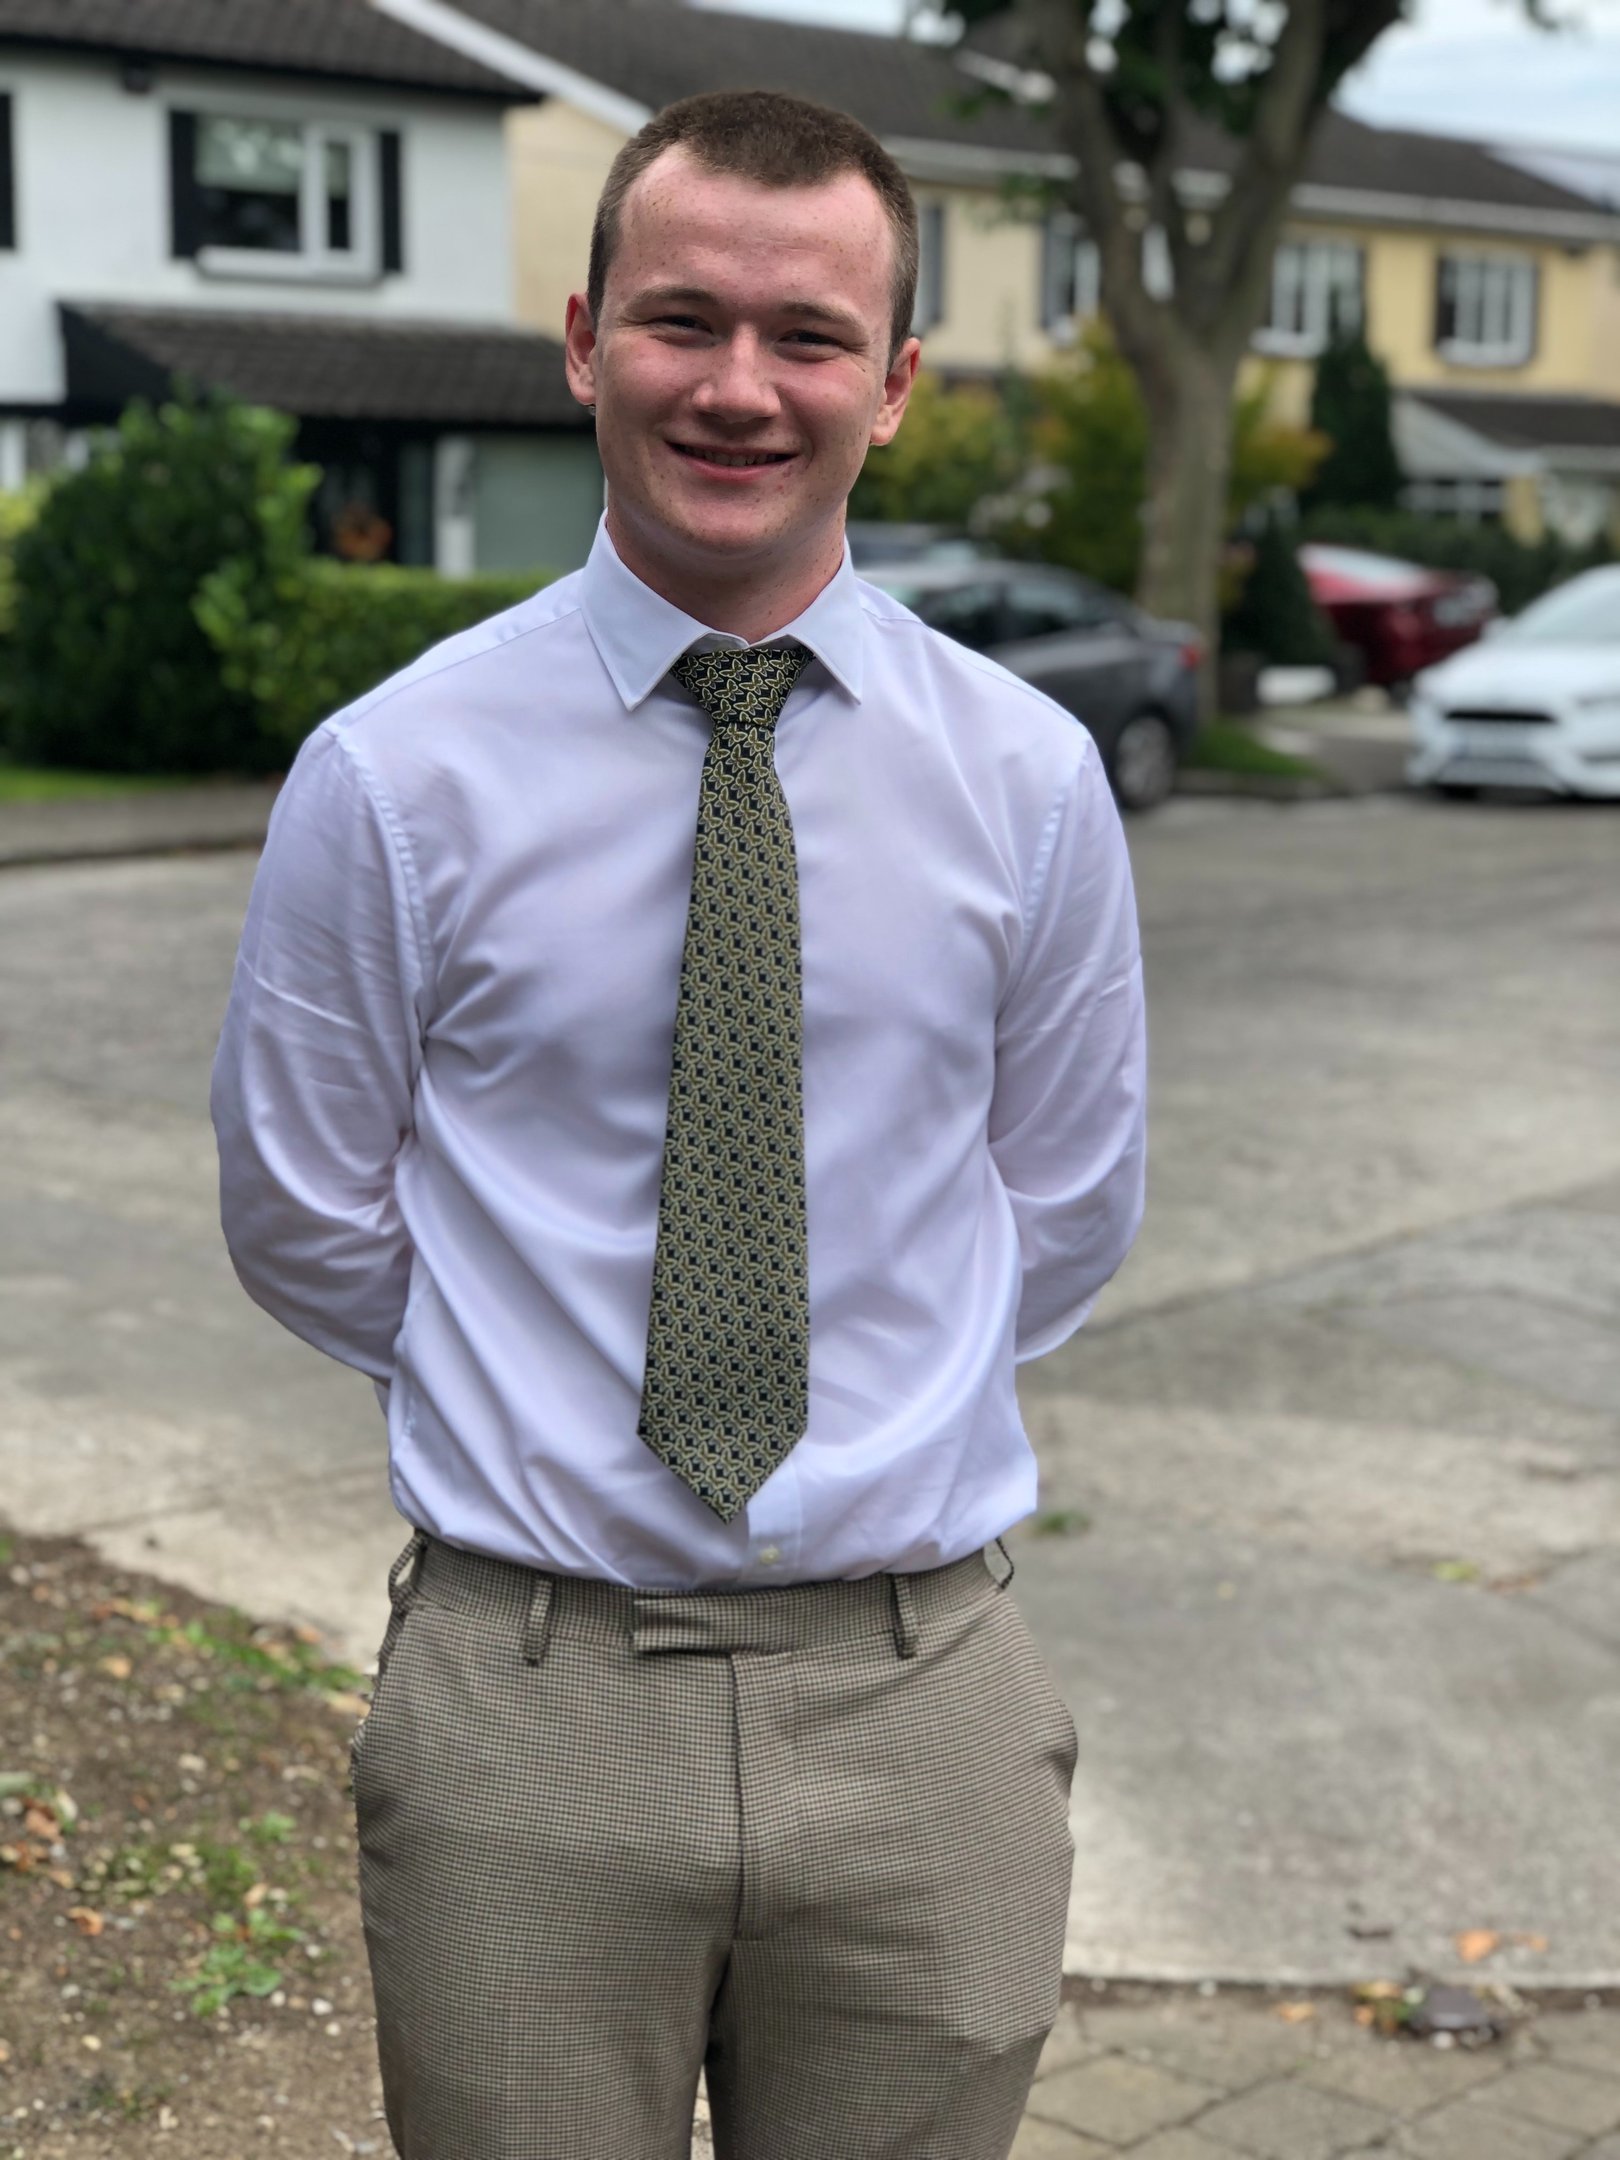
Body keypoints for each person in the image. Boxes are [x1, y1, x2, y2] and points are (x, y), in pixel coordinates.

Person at [211, 87, 1146, 2160]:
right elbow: (302, 1207)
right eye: (682, 319)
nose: (740, 386)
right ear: (583, 343)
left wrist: (864, 1388)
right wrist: (531, 1374)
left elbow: (1066, 1202)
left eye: (810, 335)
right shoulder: (394, 778)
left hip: (921, 1701)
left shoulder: (1027, 780)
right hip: (530, 1704)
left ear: (894, 385)